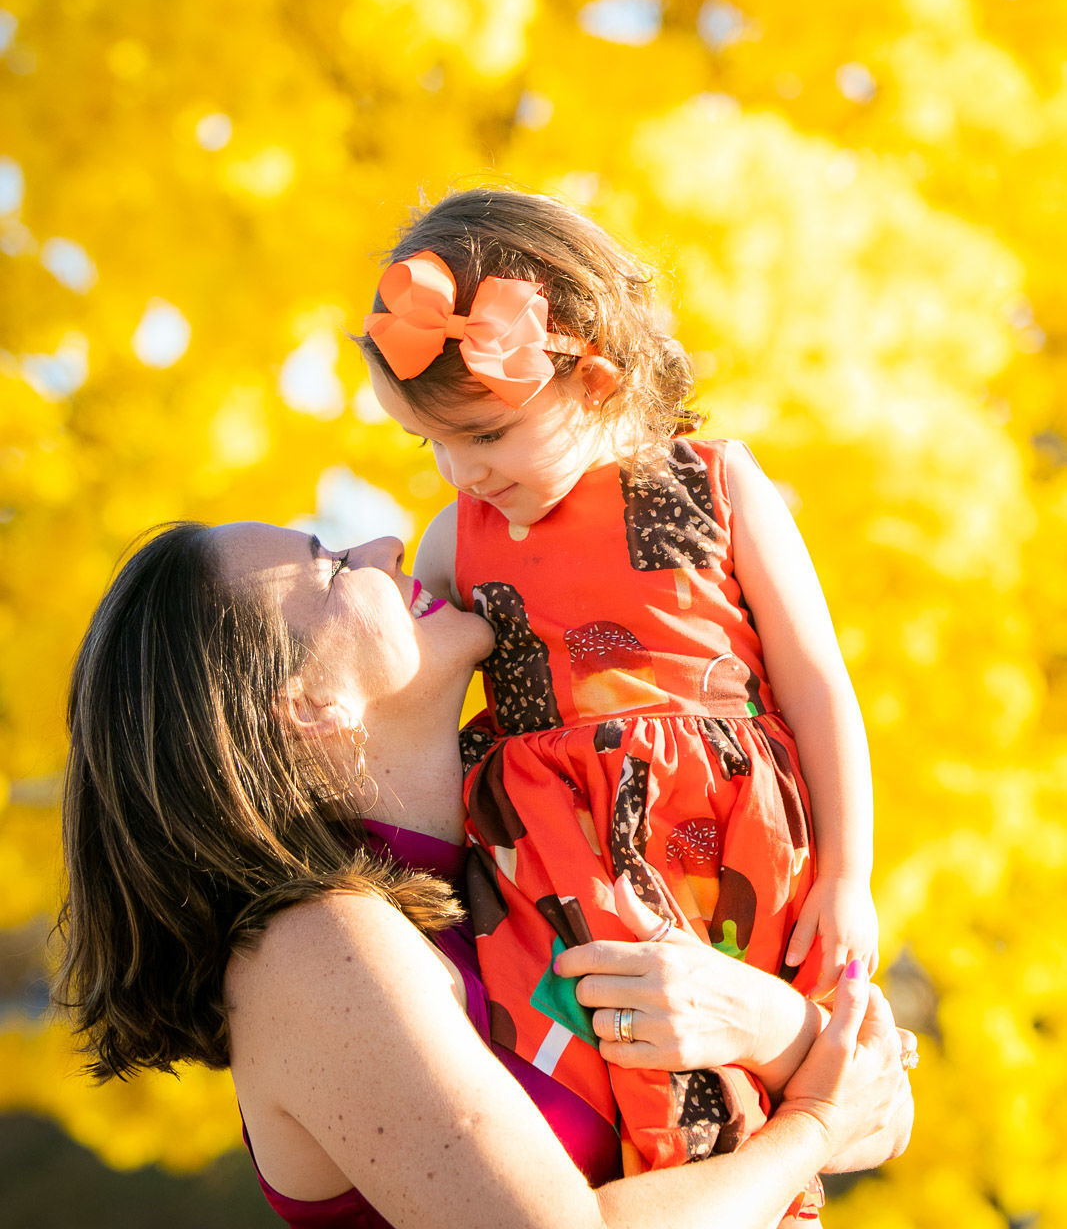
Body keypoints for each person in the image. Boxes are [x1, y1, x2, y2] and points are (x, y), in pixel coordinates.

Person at [56, 520, 913, 1229]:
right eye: (328, 566)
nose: (386, 544)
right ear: (305, 706)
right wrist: (810, 1126)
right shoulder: (314, 946)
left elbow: (886, 1106)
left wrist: (768, 1026)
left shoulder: (538, 821)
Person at [360, 188, 878, 1200]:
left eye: (487, 435)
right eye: (430, 442)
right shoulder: (453, 543)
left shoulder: (718, 485)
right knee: (595, 1067)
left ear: (591, 378)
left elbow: (817, 684)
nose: (460, 470)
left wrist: (846, 873)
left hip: (726, 839)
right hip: (552, 857)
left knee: (747, 1076)